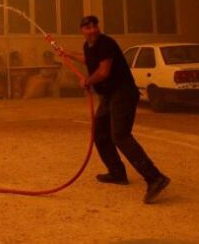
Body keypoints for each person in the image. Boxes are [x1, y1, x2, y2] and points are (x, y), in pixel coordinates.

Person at [56, 15, 170, 203]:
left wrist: (87, 81)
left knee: (120, 136)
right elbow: (88, 59)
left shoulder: (106, 43)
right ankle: (117, 173)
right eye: (87, 27)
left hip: (123, 93)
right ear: (82, 31)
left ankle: (155, 178)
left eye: (94, 26)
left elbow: (103, 71)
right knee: (100, 132)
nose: (92, 30)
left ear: (97, 27)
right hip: (109, 96)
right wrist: (68, 54)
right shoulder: (89, 46)